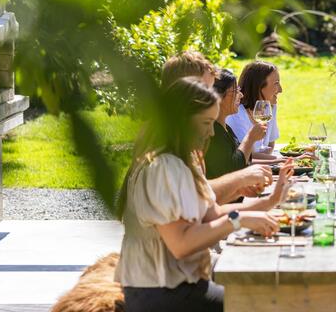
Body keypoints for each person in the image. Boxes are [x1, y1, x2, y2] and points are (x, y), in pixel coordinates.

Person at [115, 77, 295, 312]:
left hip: (182, 282)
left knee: (272, 290)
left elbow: (213, 213)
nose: (211, 132)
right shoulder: (162, 167)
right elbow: (181, 243)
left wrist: (271, 201)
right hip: (159, 293)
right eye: (206, 123)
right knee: (266, 302)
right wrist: (238, 222)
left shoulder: (183, 160)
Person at [205, 69, 272, 203]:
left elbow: (240, 163)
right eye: (235, 91)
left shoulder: (225, 128)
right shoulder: (212, 132)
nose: (241, 95)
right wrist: (250, 138)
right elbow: (232, 169)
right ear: (217, 97)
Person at [227, 61, 285, 161]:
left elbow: (270, 143)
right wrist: (282, 160)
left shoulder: (269, 107)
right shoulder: (237, 114)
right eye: (276, 83)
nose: (280, 90)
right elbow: (244, 155)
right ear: (259, 86)